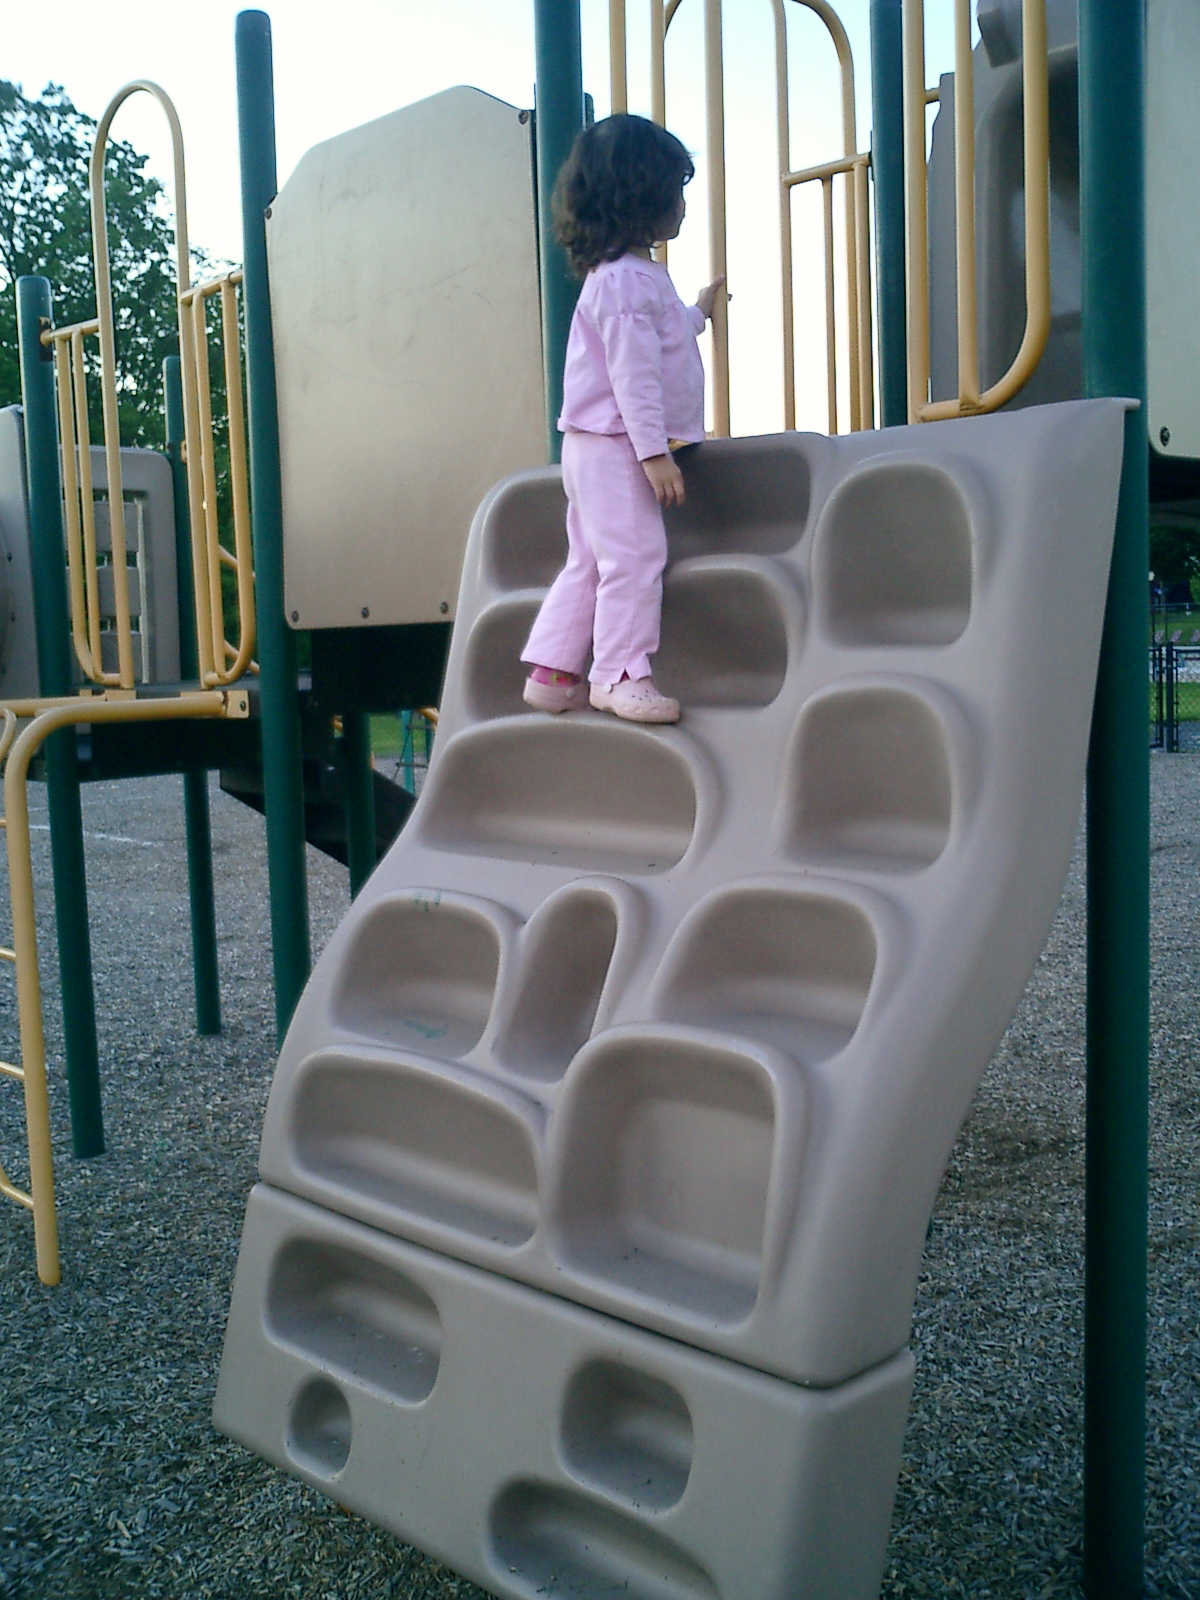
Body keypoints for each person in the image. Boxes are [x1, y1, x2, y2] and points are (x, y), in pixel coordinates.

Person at [520, 113, 726, 724]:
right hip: (616, 447)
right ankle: (618, 675)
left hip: (596, 445)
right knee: (635, 558)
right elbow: (633, 376)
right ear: (640, 197)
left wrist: (699, 312)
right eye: (675, 190)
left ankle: (554, 674)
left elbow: (664, 338)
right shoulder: (627, 282)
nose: (683, 204)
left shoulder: (628, 279)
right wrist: (655, 454)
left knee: (590, 560)